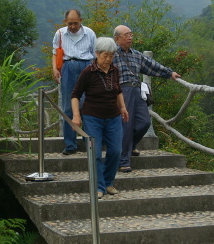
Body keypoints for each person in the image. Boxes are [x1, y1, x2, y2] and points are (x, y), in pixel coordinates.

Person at [113, 24, 181, 172]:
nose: (130, 37)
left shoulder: (136, 54)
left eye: (131, 34)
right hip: (122, 91)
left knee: (144, 122)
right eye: (126, 35)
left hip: (137, 90)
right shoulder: (111, 54)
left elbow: (152, 66)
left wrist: (170, 73)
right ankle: (123, 161)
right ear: (117, 38)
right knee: (126, 125)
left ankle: (130, 146)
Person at [70, 38, 129, 198]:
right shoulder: (88, 72)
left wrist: (123, 107)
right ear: (96, 54)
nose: (108, 60)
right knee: (95, 154)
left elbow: (118, 91)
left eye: (111, 56)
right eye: (105, 56)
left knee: (116, 151)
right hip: (92, 118)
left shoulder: (115, 71)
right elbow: (75, 95)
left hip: (113, 117)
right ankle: (99, 186)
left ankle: (108, 182)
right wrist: (76, 115)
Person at [51, 9, 96, 155]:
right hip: (68, 67)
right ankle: (70, 145)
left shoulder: (89, 33)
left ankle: (88, 143)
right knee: (68, 106)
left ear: (81, 21)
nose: (73, 26)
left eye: (75, 23)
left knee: (87, 105)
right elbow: (54, 52)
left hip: (86, 66)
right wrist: (55, 69)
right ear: (65, 22)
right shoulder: (60, 33)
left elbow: (96, 54)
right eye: (70, 23)